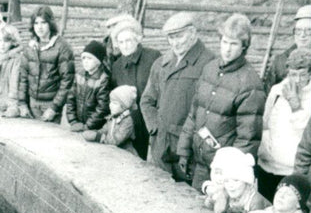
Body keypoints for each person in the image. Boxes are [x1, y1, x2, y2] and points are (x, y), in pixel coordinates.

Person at [177, 13, 266, 191]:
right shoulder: (209, 69)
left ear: (244, 47)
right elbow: (195, 113)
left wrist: (231, 173)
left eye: (234, 44)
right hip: (199, 162)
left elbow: (247, 138)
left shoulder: (250, 83)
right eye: (224, 42)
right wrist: (184, 150)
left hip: (223, 173)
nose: (227, 49)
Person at [140, 12, 215, 180]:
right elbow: (146, 100)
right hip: (161, 145)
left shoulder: (209, 64)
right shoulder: (162, 63)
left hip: (188, 149)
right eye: (171, 38)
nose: (175, 43)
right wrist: (154, 128)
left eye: (179, 36)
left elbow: (210, 111)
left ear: (193, 33)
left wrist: (192, 142)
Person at [257, 49, 311, 201]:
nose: (298, 79)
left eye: (303, 74)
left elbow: (307, 133)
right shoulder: (277, 91)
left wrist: (296, 105)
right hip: (268, 165)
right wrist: (264, 150)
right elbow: (265, 123)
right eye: (294, 74)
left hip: (293, 170)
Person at [109, 18, 160, 159]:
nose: (125, 46)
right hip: (130, 124)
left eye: (129, 41)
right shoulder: (117, 66)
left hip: (151, 118)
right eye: (121, 42)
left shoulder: (153, 57)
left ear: (137, 40)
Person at [16, 5, 75, 122]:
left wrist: (54, 108)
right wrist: (22, 103)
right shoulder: (30, 46)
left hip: (51, 105)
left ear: (50, 23)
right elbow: (23, 77)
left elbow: (67, 81)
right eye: (36, 23)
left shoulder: (62, 47)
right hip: (32, 105)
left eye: (43, 23)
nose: (39, 27)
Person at [205, 147, 269, 213]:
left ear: (246, 182)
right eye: (226, 181)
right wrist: (215, 199)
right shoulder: (229, 193)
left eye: (236, 180)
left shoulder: (254, 201)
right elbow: (213, 203)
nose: (231, 185)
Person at [264, 3, 311, 93]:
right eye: (298, 31)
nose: (302, 35)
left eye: (309, 31)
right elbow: (268, 94)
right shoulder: (281, 61)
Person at [66, 40, 111, 136]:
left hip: (95, 128)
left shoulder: (103, 79)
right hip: (78, 125)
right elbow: (70, 99)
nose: (85, 61)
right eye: (83, 58)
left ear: (98, 61)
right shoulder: (79, 75)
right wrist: (73, 121)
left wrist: (87, 126)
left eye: (89, 58)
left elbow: (102, 108)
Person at [84, 85, 139, 154]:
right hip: (113, 150)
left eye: (115, 103)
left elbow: (116, 141)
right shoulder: (112, 118)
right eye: (111, 102)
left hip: (124, 152)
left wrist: (98, 137)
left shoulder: (127, 122)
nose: (110, 105)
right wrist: (95, 132)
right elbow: (104, 130)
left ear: (124, 107)